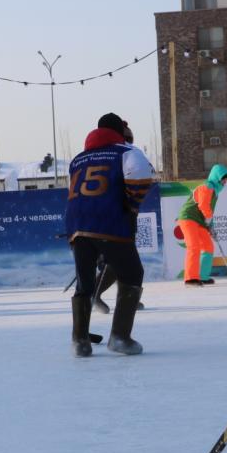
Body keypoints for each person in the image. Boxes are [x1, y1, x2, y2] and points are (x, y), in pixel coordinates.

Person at [65, 113, 154, 357]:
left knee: (84, 281)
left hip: (77, 223)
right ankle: (120, 337)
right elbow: (141, 176)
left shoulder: (78, 158)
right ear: (119, 132)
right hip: (109, 221)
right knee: (132, 273)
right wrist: (131, 204)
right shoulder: (125, 151)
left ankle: (79, 342)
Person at [92, 124, 146, 314]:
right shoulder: (123, 154)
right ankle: (100, 295)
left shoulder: (103, 154)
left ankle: (127, 299)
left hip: (116, 214)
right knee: (119, 261)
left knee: (123, 261)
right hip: (117, 214)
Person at [176, 164, 227, 286]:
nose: (226, 180)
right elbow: (204, 206)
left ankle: (202, 276)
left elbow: (209, 212)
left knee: (208, 246)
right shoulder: (207, 187)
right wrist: (209, 221)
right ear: (217, 177)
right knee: (193, 246)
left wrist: (212, 227)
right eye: (224, 177)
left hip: (199, 221)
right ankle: (190, 278)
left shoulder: (215, 192)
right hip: (188, 218)